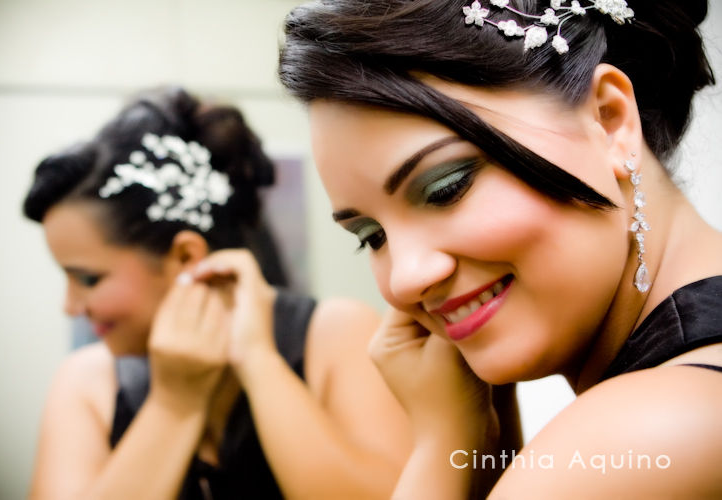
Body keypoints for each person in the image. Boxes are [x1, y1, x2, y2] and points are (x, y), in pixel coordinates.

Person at [278, 0, 722, 497]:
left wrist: (443, 449)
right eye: (371, 236)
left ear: (610, 121)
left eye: (446, 188)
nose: (405, 279)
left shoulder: (644, 437)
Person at [24, 86, 411, 499]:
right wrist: (175, 403)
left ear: (186, 255)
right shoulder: (85, 382)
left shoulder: (337, 332)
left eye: (87, 279)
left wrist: (259, 361)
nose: (70, 307)